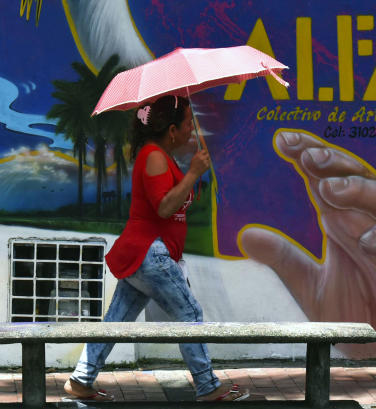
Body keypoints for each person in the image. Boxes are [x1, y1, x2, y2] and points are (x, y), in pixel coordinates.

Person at [64, 95, 249, 403]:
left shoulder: (160, 156)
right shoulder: (154, 156)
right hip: (150, 253)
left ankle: (81, 380)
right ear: (172, 129)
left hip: (145, 254)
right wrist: (192, 173)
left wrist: (193, 175)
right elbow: (164, 207)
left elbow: (173, 201)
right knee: (189, 312)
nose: (192, 129)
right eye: (188, 123)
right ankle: (207, 385)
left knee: (117, 320)